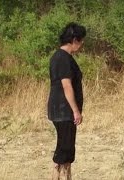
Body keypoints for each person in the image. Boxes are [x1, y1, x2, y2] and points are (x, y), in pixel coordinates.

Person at [47, 22, 86, 179]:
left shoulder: (57, 56)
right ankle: (63, 177)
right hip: (64, 110)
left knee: (63, 146)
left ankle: (58, 176)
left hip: (58, 108)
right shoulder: (63, 58)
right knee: (66, 149)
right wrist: (76, 111)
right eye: (81, 40)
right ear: (74, 39)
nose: (82, 44)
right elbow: (67, 86)